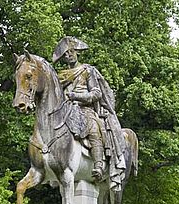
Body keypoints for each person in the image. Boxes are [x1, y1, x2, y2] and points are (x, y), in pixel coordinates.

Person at [52, 36, 126, 189]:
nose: (68, 56)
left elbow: (96, 93)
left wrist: (77, 96)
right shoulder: (61, 75)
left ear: (76, 52)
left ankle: (98, 164)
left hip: (84, 108)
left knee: (93, 127)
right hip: (65, 109)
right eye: (65, 54)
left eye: (70, 52)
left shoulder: (87, 70)